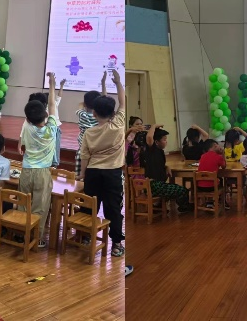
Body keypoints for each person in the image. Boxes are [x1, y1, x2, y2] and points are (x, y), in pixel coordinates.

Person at [78, 70, 130, 256]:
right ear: (113, 112)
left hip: (93, 173)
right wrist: (118, 82)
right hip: (112, 174)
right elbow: (123, 102)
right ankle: (116, 244)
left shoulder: (89, 133)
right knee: (113, 208)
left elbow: (85, 156)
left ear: (94, 112)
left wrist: (82, 174)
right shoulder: (118, 125)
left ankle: (85, 236)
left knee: (89, 205)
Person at [19, 72, 60, 247]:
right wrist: (52, 84)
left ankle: (20, 234)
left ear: (28, 118)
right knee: (40, 207)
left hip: (26, 171)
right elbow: (52, 104)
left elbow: (44, 108)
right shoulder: (51, 128)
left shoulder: (27, 126)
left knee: (23, 204)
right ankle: (37, 237)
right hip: (43, 173)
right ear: (45, 114)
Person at [142, 126, 193, 213]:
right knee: (182, 190)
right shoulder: (152, 150)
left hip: (158, 184)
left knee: (176, 189)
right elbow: (149, 137)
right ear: (156, 142)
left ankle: (158, 206)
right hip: (154, 185)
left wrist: (166, 167)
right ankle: (184, 207)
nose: (166, 142)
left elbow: (158, 164)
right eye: (164, 140)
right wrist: (154, 126)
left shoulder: (159, 152)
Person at [195, 139, 228, 209]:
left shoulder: (203, 156)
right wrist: (222, 154)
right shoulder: (218, 157)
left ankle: (209, 203)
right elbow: (224, 166)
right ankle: (222, 202)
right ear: (215, 146)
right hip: (212, 187)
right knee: (221, 181)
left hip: (200, 186)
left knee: (212, 179)